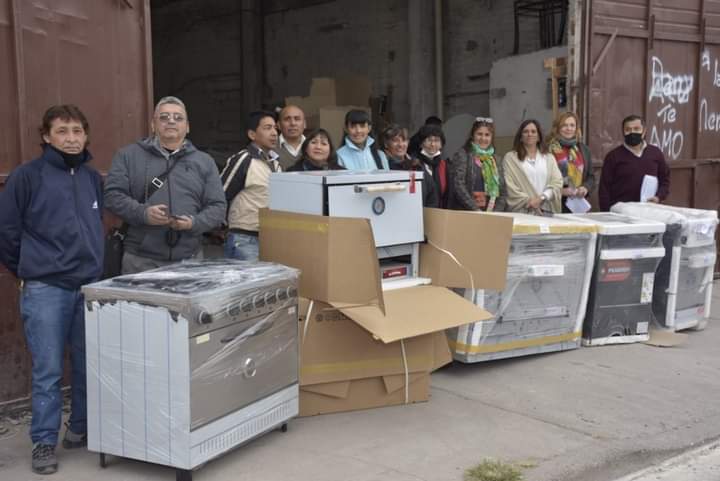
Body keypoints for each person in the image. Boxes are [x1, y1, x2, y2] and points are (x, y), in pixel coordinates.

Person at [0, 105, 103, 475]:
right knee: (47, 370)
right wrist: (32, 269)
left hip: (87, 287)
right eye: (62, 131)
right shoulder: (26, 177)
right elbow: (7, 234)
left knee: (88, 363)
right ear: (46, 136)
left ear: (86, 135)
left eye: (77, 131)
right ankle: (44, 442)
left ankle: (79, 428)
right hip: (46, 289)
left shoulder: (92, 178)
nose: (71, 138)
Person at [104, 96, 226, 274]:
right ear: (153, 125)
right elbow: (112, 196)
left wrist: (193, 223)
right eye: (164, 117)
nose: (171, 121)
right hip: (139, 262)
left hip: (190, 261)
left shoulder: (204, 161)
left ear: (188, 126)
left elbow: (218, 207)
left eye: (178, 118)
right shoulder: (127, 156)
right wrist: (143, 213)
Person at [221, 110, 281, 261]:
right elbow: (221, 194)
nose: (274, 133)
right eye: (267, 128)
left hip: (272, 238)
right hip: (244, 238)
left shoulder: (277, 164)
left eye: (275, 128)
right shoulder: (244, 159)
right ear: (252, 135)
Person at [599, 114, 670, 211]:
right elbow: (604, 189)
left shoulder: (656, 153)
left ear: (644, 131)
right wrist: (606, 213)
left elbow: (665, 180)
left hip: (649, 210)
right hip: (620, 212)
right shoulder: (613, 156)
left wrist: (658, 197)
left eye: (636, 129)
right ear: (623, 132)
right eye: (628, 129)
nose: (632, 132)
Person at [503, 119, 563, 214]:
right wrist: (530, 202)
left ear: (539, 137)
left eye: (533, 131)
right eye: (525, 131)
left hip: (546, 210)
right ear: (521, 137)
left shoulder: (549, 158)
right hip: (522, 211)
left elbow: (557, 183)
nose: (529, 134)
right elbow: (510, 186)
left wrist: (542, 198)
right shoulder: (511, 158)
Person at [448, 117, 505, 212]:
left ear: (491, 138)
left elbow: (503, 191)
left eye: (487, 135)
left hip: (491, 214)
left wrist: (496, 212)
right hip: (467, 213)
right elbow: (458, 185)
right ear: (472, 135)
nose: (483, 138)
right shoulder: (462, 155)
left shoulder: (496, 159)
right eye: (479, 134)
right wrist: (475, 209)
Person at [381, 124, 438, 207]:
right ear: (386, 144)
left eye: (404, 140)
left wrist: (425, 215)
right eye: (395, 141)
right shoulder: (382, 167)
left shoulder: (416, 165)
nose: (400, 145)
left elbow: (432, 193)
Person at [547, 111, 595, 212]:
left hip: (578, 204)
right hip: (554, 204)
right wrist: (561, 191)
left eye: (572, 125)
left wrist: (585, 188)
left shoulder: (584, 149)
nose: (569, 128)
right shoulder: (547, 149)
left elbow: (591, 177)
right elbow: (541, 179)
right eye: (564, 125)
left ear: (576, 128)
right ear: (557, 127)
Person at [415, 124, 450, 208]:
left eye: (436, 140)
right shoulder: (415, 165)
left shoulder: (445, 166)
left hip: (441, 212)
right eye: (429, 140)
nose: (433, 144)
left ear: (441, 144)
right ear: (421, 143)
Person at [276, 105, 307, 170]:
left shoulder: (314, 147)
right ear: (278, 125)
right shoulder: (270, 148)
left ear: (304, 124)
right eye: (287, 119)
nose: (293, 123)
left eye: (297, 119)